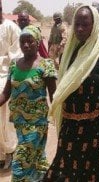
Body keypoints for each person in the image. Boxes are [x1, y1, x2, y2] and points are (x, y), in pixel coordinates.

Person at [44, 5, 99, 181]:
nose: (80, 29)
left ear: (94, 26)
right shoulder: (69, 54)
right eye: (77, 24)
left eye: (85, 24)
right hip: (71, 126)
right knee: (64, 171)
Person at [0, 25, 56, 181]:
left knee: (20, 162)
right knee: (35, 158)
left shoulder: (46, 65)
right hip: (19, 122)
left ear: (38, 42)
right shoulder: (14, 65)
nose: (26, 45)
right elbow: (6, 93)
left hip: (37, 123)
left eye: (30, 41)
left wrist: (60, 117)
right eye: (22, 41)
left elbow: (53, 95)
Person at [0, 0, 21, 169]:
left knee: (5, 118)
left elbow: (17, 57)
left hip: (5, 77)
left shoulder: (11, 28)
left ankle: (10, 152)